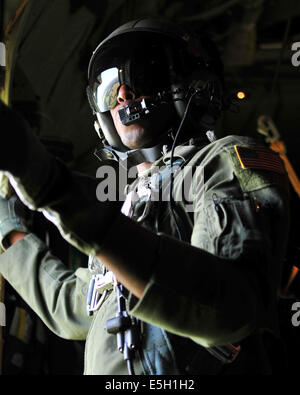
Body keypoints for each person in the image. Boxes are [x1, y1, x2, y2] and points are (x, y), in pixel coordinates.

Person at [0, 18, 290, 375]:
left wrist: (49, 184)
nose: (122, 94)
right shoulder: (130, 207)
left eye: (140, 75)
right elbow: (72, 306)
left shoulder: (222, 162)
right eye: (108, 86)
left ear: (190, 85)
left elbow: (227, 307)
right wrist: (7, 230)